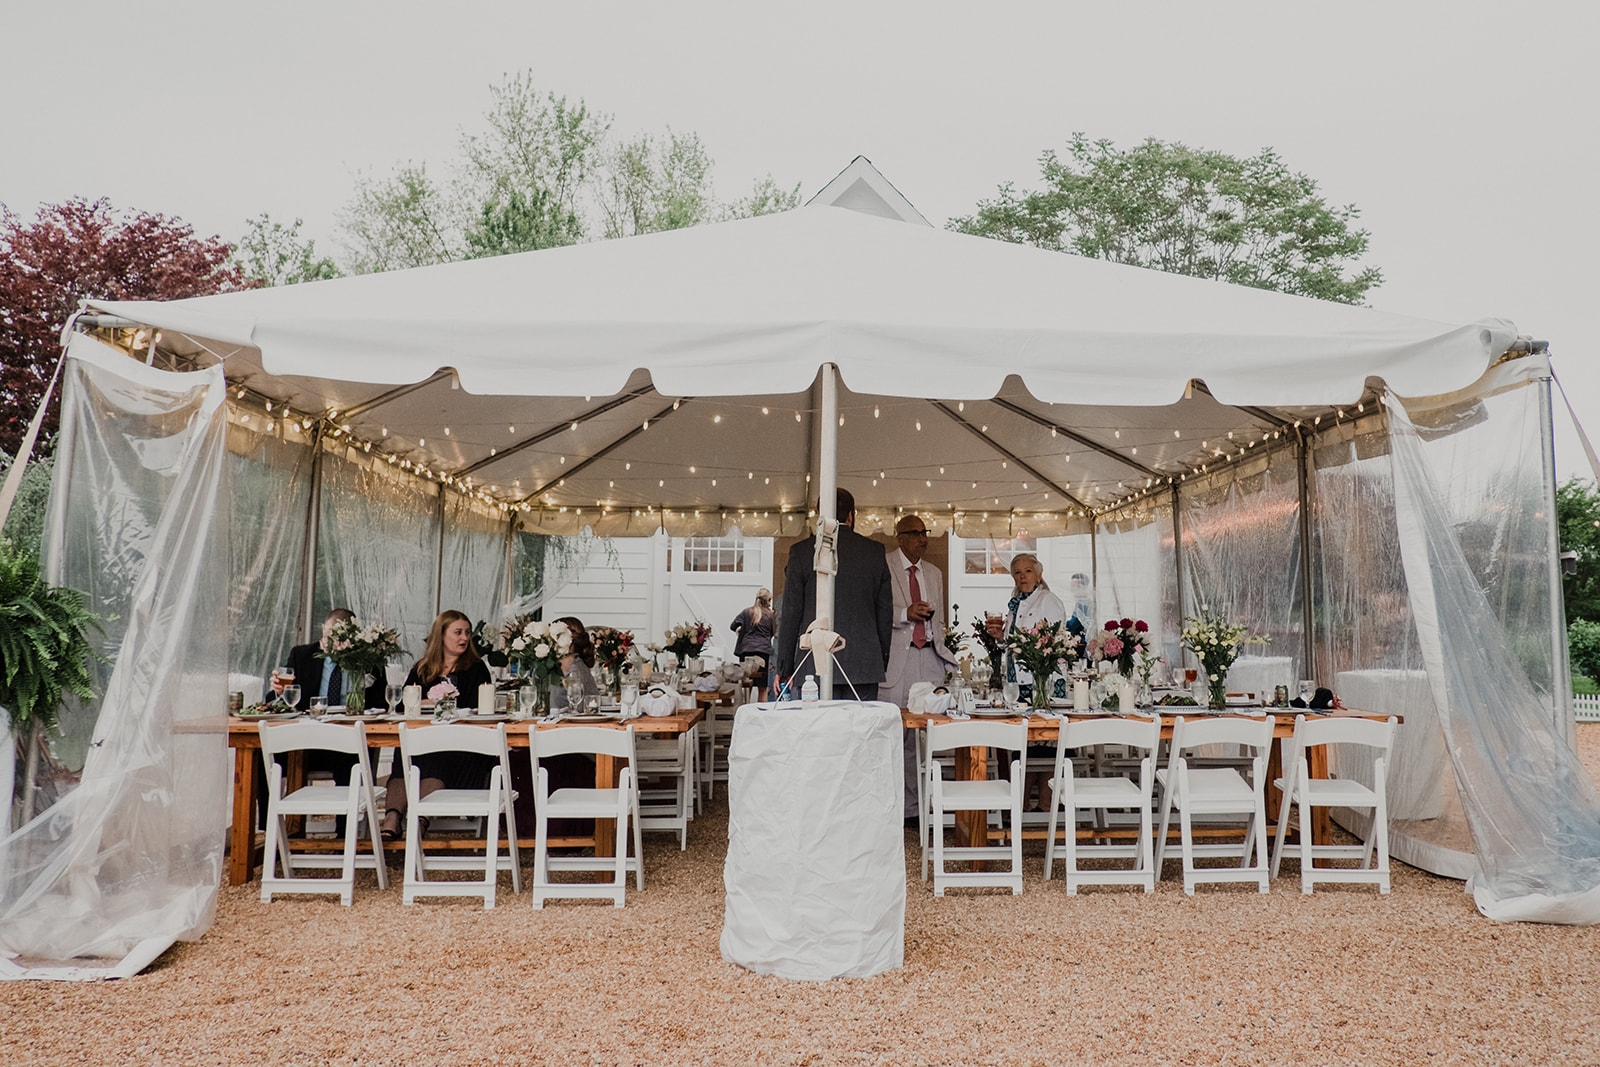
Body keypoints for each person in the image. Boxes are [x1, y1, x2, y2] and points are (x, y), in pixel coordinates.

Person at [379, 610, 493, 840]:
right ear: (440, 635)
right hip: (424, 738)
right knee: (406, 753)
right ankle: (392, 816)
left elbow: (477, 708)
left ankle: (420, 821)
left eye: (467, 633)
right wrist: (425, 702)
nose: (464, 638)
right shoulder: (422, 667)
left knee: (432, 754)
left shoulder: (476, 668)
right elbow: (403, 706)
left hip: (462, 747)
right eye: (458, 632)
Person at [775, 487, 893, 701]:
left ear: (820, 516)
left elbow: (791, 612)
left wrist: (784, 665)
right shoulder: (874, 552)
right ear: (851, 516)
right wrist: (881, 659)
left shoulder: (801, 551)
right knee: (860, 733)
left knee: (817, 733)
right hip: (864, 664)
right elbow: (885, 614)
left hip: (813, 663)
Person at [882, 514, 959, 821]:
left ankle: (916, 810)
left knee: (927, 736)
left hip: (929, 657)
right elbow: (876, 611)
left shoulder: (934, 573)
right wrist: (905, 613)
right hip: (897, 660)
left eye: (925, 533)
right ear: (899, 537)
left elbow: (937, 620)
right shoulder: (884, 567)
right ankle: (892, 809)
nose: (923, 539)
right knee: (895, 733)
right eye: (915, 533)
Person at [985, 553, 1075, 811]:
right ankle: (1022, 806)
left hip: (1043, 680)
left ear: (1038, 574)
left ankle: (1047, 806)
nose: (1022, 576)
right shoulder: (1016, 602)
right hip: (1019, 680)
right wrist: (1002, 637)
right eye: (1017, 572)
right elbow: (1017, 643)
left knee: (1046, 742)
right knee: (1023, 743)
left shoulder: (1048, 600)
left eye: (1027, 571)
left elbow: (1053, 641)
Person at [729, 589, 775, 666]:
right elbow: (774, 631)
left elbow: (733, 626)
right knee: (762, 676)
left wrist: (740, 630)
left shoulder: (746, 612)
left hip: (746, 649)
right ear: (768, 600)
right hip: (763, 650)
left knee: (745, 675)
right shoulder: (771, 615)